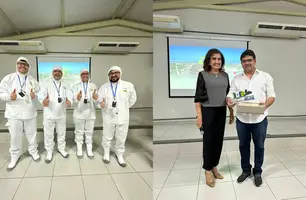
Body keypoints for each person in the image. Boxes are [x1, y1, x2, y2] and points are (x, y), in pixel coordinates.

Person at [226, 49, 275, 187]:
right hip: (242, 119)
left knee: (259, 146)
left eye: (249, 60)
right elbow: (231, 94)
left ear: (254, 61)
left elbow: (272, 96)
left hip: (260, 119)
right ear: (241, 63)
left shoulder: (265, 77)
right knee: (243, 146)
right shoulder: (236, 78)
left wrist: (264, 106)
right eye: (244, 61)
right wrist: (229, 99)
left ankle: (258, 171)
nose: (247, 63)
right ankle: (246, 170)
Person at [194, 48, 234, 187]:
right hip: (208, 111)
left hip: (221, 111)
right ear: (209, 61)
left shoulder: (225, 75)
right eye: (214, 59)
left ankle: (214, 166)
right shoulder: (203, 75)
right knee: (208, 141)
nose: (217, 61)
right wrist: (199, 117)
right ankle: (207, 170)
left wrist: (231, 112)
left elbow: (228, 95)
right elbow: (198, 99)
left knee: (218, 141)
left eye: (219, 59)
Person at [0, 57, 40, 171]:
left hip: (30, 113)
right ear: (17, 65)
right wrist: (9, 97)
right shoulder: (9, 78)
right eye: (20, 64)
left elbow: (38, 91)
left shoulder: (32, 80)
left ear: (28, 66)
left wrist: (34, 96)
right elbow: (1, 93)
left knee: (32, 135)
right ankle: (14, 156)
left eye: (25, 64)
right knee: (15, 136)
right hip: (14, 114)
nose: (22, 66)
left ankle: (33, 151)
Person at [98, 66, 137, 167]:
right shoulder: (104, 87)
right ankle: (106, 153)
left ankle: (119, 154)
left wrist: (123, 108)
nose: (114, 75)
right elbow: (99, 101)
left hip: (123, 117)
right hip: (108, 116)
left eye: (116, 73)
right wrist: (101, 104)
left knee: (121, 137)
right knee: (107, 136)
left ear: (120, 73)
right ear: (108, 75)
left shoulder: (128, 85)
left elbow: (133, 99)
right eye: (111, 73)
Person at [38, 66, 73, 163]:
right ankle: (49, 151)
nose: (57, 73)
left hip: (61, 114)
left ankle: (61, 149)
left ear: (62, 73)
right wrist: (43, 100)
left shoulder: (66, 84)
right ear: (52, 73)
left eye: (59, 71)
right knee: (48, 134)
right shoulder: (46, 83)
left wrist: (70, 101)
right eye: (55, 71)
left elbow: (70, 96)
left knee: (61, 133)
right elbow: (41, 94)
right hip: (49, 114)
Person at [72, 69, 99, 158]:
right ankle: (79, 148)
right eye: (83, 74)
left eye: (86, 74)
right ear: (80, 76)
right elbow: (73, 101)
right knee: (79, 132)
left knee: (89, 132)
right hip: (79, 114)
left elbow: (96, 100)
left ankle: (89, 148)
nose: (85, 75)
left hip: (90, 113)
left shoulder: (93, 86)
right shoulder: (76, 86)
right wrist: (77, 97)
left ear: (89, 75)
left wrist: (95, 98)